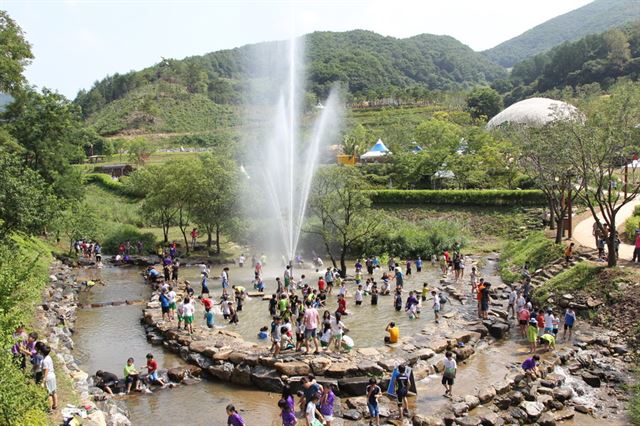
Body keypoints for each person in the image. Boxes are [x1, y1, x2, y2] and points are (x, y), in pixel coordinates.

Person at [41, 345, 57, 410]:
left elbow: (46, 370)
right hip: (53, 376)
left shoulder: (44, 361)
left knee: (49, 394)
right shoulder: (49, 357)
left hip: (48, 377)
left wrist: (43, 381)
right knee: (54, 392)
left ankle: (50, 409)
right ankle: (55, 405)